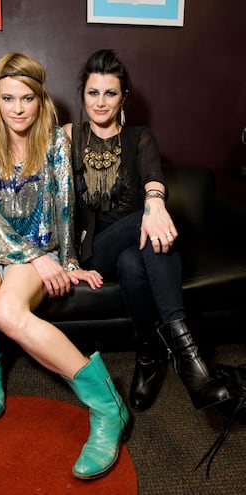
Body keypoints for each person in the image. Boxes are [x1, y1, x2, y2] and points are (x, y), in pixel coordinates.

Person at [0, 52, 132, 481]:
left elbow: (65, 209)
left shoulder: (55, 144)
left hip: (35, 249)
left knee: (6, 312)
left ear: (40, 100)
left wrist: (67, 261)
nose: (17, 108)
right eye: (8, 99)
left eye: (26, 98)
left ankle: (107, 405)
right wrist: (33, 256)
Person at [63, 48, 230, 412]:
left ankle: (150, 354)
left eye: (110, 93)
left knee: (136, 262)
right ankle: (193, 363)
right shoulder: (67, 138)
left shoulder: (140, 138)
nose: (101, 102)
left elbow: (154, 178)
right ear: (82, 95)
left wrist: (154, 203)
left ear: (124, 97)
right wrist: (65, 259)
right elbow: (48, 198)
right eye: (93, 92)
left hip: (136, 246)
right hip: (95, 251)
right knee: (148, 230)